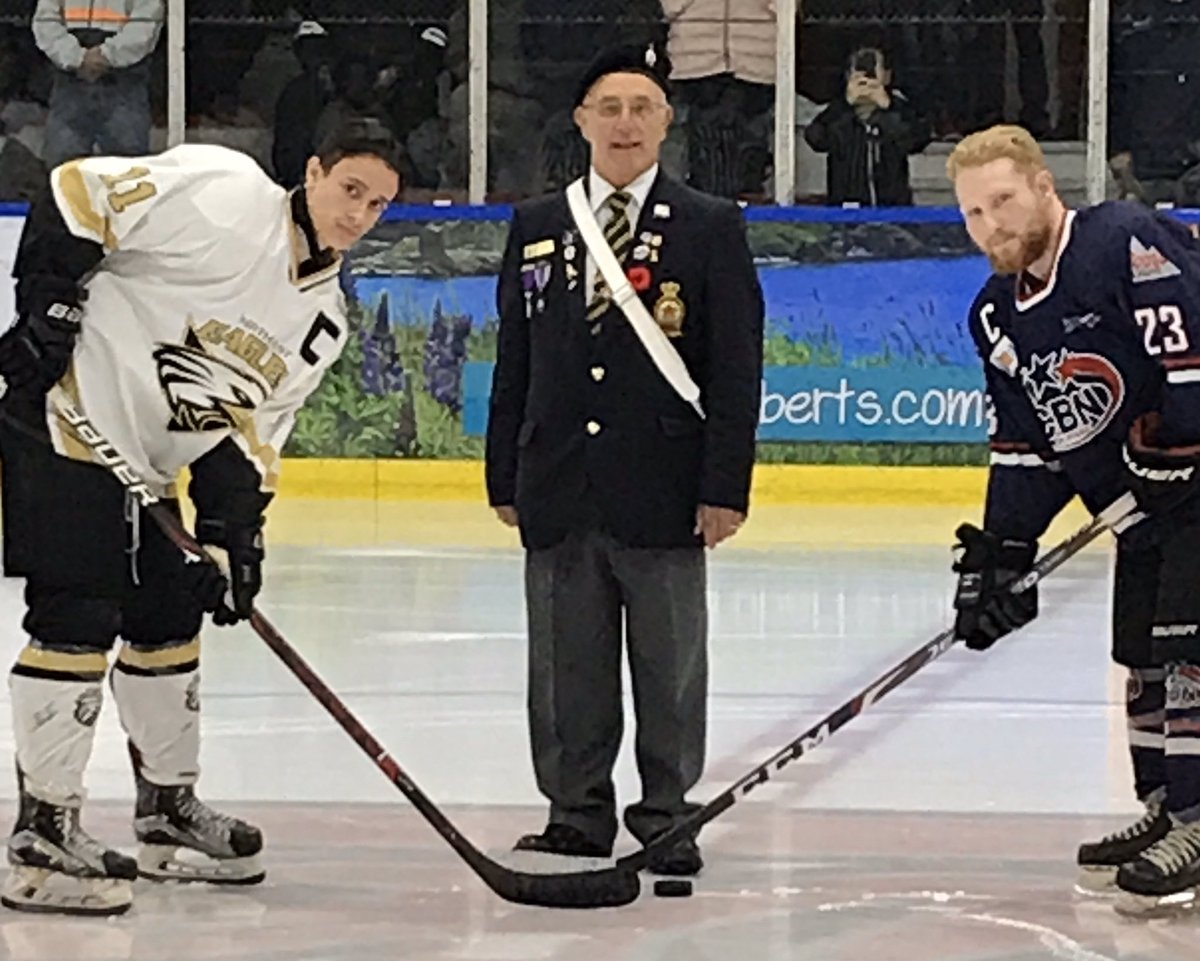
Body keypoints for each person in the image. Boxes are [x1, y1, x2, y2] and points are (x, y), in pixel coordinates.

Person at [0, 118, 402, 917]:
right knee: (78, 611)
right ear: (313, 171)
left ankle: (166, 811)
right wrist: (49, 306)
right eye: (350, 188)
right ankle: (42, 829)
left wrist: (234, 534)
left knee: (167, 613)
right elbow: (75, 194)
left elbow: (249, 435)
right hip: (66, 423)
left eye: (380, 204)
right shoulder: (224, 194)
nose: (359, 213)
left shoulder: (321, 322)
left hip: (146, 469)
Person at [485, 45, 764, 875]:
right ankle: (574, 814)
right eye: (609, 107)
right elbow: (516, 360)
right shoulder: (538, 225)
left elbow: (736, 367)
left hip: (668, 489)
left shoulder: (711, 224)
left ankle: (668, 817)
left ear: (667, 120)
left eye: (642, 106)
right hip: (560, 483)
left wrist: (725, 487)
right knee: (568, 670)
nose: (626, 122)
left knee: (669, 669)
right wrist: (505, 473)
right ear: (581, 122)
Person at [947, 124, 1200, 915]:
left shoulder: (1123, 241)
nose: (991, 225)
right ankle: (1166, 806)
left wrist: (1175, 443)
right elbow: (1028, 442)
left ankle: (1199, 820)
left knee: (1191, 653)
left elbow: (1192, 360)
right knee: (1143, 659)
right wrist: (1005, 549)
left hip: (1197, 496)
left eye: (1003, 202)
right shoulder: (996, 316)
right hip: (1143, 512)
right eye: (973, 214)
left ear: (1046, 188)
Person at [32, 0, 163, 169]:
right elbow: (45, 22)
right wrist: (79, 57)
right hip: (75, 83)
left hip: (121, 81)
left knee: (126, 171)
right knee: (64, 169)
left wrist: (98, 57)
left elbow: (147, 23)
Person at [804, 46, 930, 207]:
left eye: (872, 73)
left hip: (892, 208)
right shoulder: (837, 111)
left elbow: (917, 140)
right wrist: (846, 105)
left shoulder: (900, 109)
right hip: (846, 207)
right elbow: (817, 139)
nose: (866, 81)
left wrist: (887, 109)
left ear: (886, 76)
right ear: (848, 76)